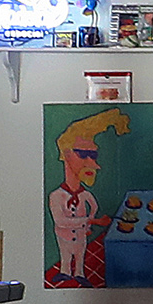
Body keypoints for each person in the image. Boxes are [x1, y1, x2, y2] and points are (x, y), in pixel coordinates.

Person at [48, 109, 127, 290]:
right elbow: (60, 221)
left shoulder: (85, 195)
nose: (95, 165)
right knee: (65, 255)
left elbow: (94, 206)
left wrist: (89, 224)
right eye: (84, 154)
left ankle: (79, 274)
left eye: (94, 155)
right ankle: (65, 271)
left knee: (80, 255)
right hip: (63, 236)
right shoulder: (56, 196)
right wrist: (92, 221)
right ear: (67, 154)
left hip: (81, 237)